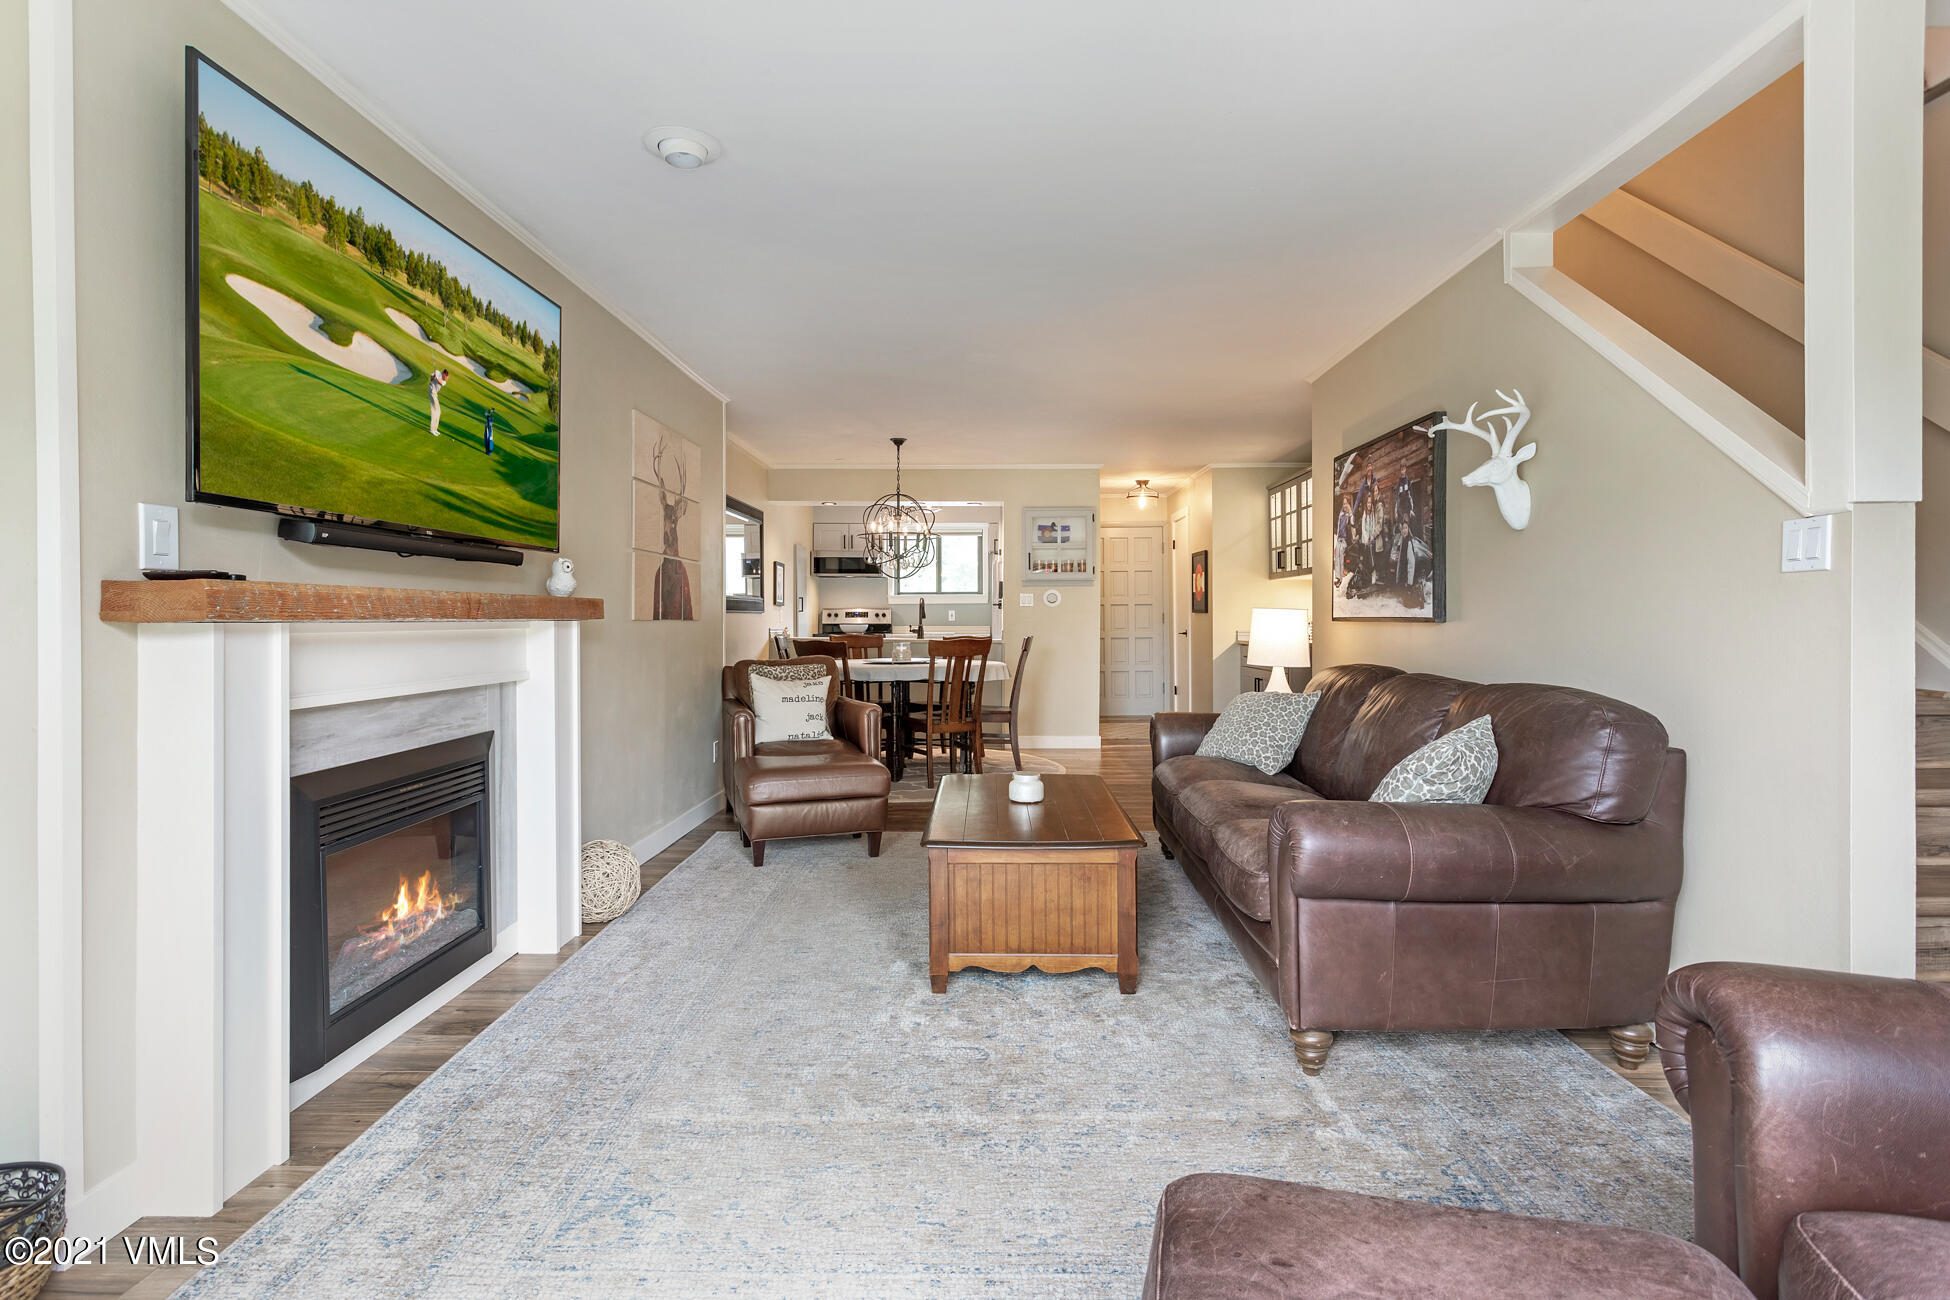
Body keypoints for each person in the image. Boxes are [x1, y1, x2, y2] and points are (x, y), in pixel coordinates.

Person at [428, 369, 450, 436]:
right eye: (446, 377)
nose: (446, 379)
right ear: (443, 374)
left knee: (439, 411)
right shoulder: (437, 372)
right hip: (432, 390)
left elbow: (441, 382)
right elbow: (431, 379)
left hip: (435, 393)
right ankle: (432, 429)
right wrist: (434, 375)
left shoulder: (444, 381)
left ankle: (435, 429)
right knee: (434, 410)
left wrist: (437, 377)